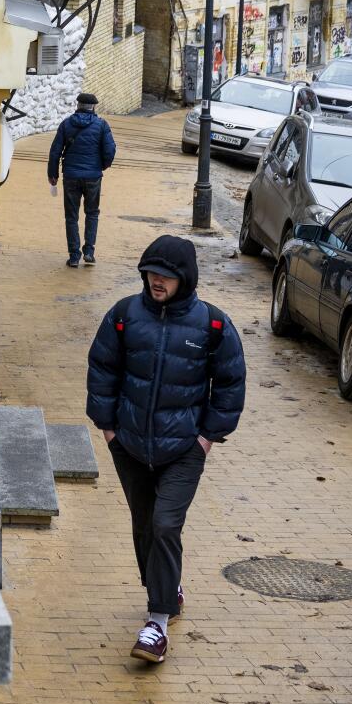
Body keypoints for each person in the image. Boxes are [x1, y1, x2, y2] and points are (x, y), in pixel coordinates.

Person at [87, 235, 245, 663]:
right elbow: (103, 368)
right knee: (144, 525)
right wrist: (109, 431)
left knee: (164, 525)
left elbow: (230, 383)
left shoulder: (212, 325)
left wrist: (206, 438)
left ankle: (156, 623)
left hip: (183, 450)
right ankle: (166, 587)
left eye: (167, 275)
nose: (157, 281)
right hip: (130, 445)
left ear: (185, 279)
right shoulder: (124, 315)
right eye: (152, 273)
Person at [47, 92, 117, 267]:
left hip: (71, 176)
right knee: (92, 213)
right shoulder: (101, 125)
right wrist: (103, 165)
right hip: (93, 177)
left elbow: (55, 151)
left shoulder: (66, 125)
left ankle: (73, 256)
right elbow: (110, 150)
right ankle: (89, 252)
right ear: (93, 107)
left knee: (71, 216)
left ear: (77, 105)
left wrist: (52, 174)